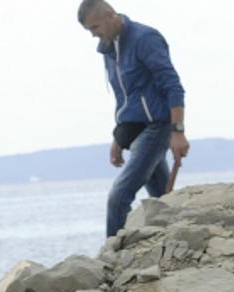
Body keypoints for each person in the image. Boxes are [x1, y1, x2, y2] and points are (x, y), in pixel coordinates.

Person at [78, 0, 189, 237]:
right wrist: (118, 137)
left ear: (110, 15)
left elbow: (173, 86)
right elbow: (124, 98)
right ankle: (177, 241)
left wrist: (178, 131)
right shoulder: (108, 48)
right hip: (134, 129)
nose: (93, 35)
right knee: (162, 199)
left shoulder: (145, 38)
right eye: (89, 30)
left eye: (95, 28)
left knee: (118, 197)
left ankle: (110, 261)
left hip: (157, 127)